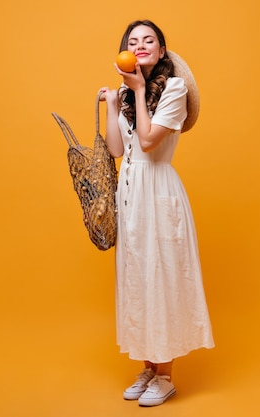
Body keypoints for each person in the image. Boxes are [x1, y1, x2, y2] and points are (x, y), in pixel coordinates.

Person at [98, 20, 214, 407]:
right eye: (133, 41)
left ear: (162, 51)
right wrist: (116, 102)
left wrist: (141, 88)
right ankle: (149, 366)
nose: (140, 45)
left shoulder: (174, 88)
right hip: (130, 194)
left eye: (149, 40)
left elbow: (148, 143)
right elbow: (118, 151)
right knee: (137, 277)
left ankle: (165, 375)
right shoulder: (127, 92)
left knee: (161, 275)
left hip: (159, 189)